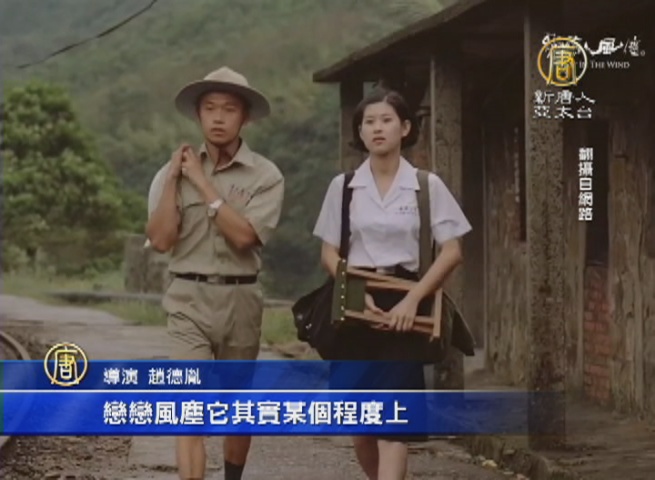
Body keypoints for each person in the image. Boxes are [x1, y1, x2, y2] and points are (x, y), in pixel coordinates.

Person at [312, 88, 472, 480]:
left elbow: (452, 251)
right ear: (360, 132)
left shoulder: (426, 185)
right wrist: (355, 292)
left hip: (406, 302)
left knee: (394, 424)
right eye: (369, 122)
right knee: (360, 423)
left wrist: (414, 299)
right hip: (355, 303)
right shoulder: (343, 186)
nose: (377, 128)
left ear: (405, 128)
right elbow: (329, 253)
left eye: (386, 120)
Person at [145, 66, 285, 480]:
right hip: (187, 298)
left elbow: (245, 237)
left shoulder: (265, 176)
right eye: (209, 108)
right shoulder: (171, 171)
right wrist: (174, 180)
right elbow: (161, 240)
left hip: (241, 300)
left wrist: (204, 187)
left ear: (245, 117)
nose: (218, 118)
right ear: (198, 115)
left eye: (228, 109)